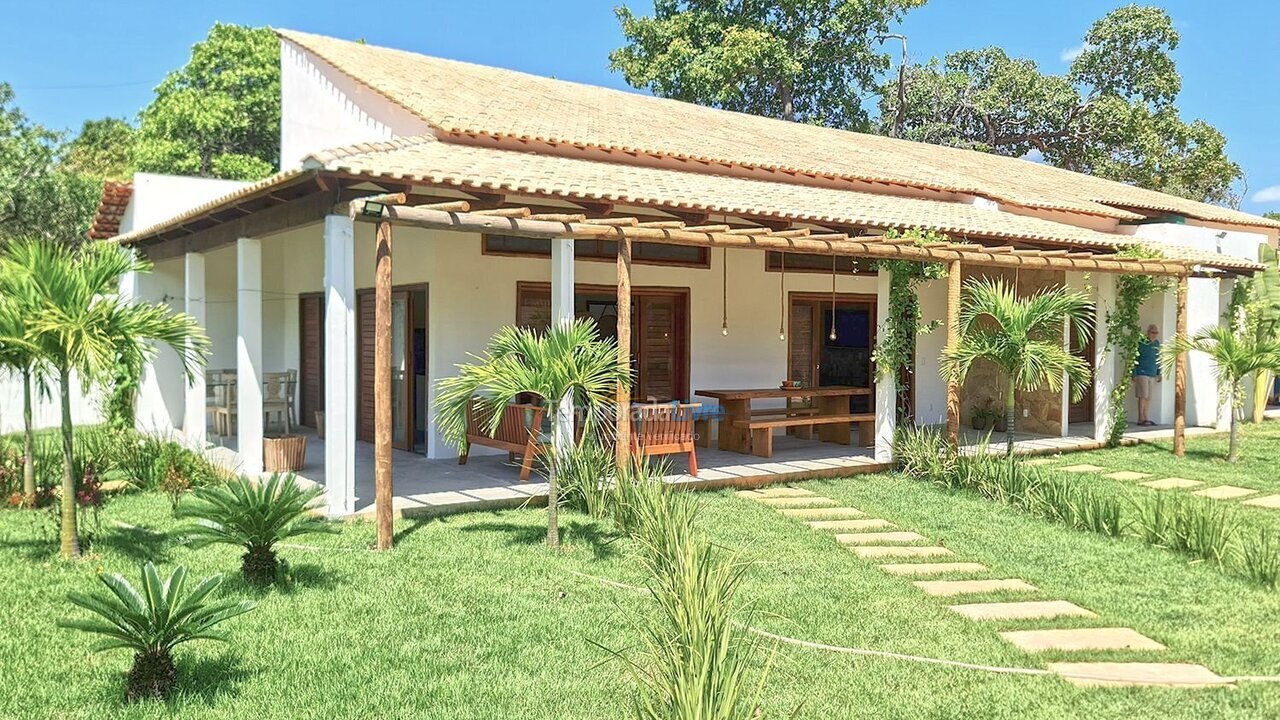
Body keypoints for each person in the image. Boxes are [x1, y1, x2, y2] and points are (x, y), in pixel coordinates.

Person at [1133, 324, 1162, 426]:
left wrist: (1159, 372)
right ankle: (1140, 418)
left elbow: (1157, 358)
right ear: (1148, 332)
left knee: (1148, 397)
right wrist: (1134, 373)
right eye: (1153, 332)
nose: (1155, 335)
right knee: (1143, 395)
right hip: (1142, 372)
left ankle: (1146, 417)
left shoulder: (1157, 344)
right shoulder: (1141, 342)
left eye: (1156, 333)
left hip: (1152, 373)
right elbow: (1135, 358)